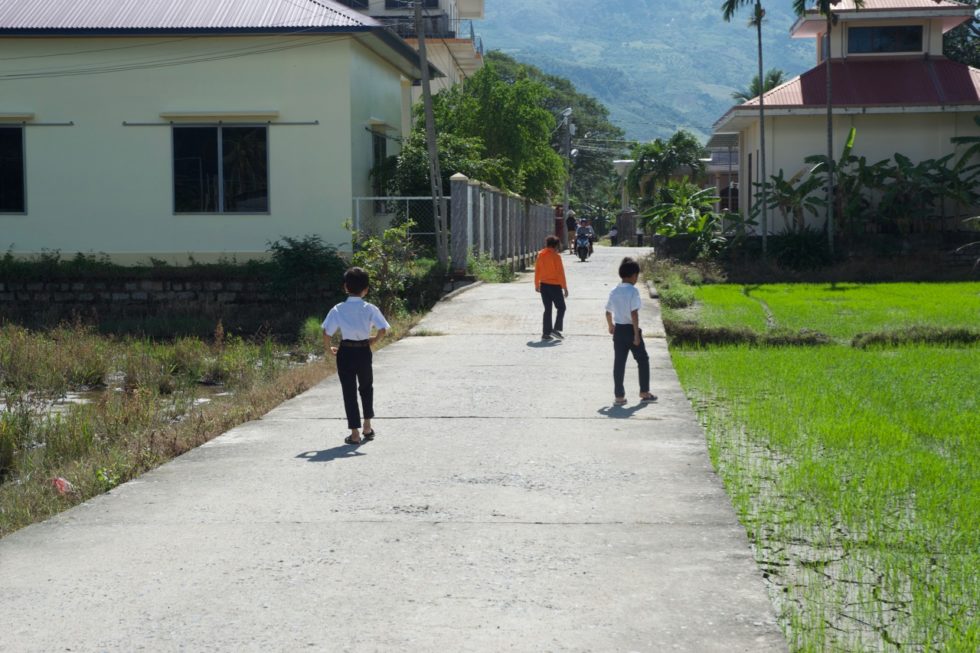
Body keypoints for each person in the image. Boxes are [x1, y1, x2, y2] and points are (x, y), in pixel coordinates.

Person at [322, 266, 390, 445]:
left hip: (345, 352)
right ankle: (367, 426)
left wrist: (329, 349)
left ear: (345, 287)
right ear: (366, 289)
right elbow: (383, 329)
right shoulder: (370, 308)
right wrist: (374, 340)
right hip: (363, 351)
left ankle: (354, 434)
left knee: (349, 391)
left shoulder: (338, 309)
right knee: (366, 387)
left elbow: (326, 333)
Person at [605, 257, 657, 406]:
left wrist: (610, 326)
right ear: (633, 275)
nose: (636, 279)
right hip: (630, 330)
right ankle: (644, 391)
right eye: (637, 276)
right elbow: (634, 314)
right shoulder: (633, 291)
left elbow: (607, 312)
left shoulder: (614, 291)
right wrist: (636, 335)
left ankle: (619, 397)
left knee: (619, 363)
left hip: (619, 330)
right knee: (642, 360)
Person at [534, 235, 568, 340]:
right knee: (561, 307)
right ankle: (556, 329)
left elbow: (537, 270)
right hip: (555, 286)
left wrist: (536, 284)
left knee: (547, 309)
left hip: (544, 285)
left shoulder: (541, 255)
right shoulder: (556, 257)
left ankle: (546, 333)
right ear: (556, 245)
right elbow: (560, 273)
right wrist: (565, 287)